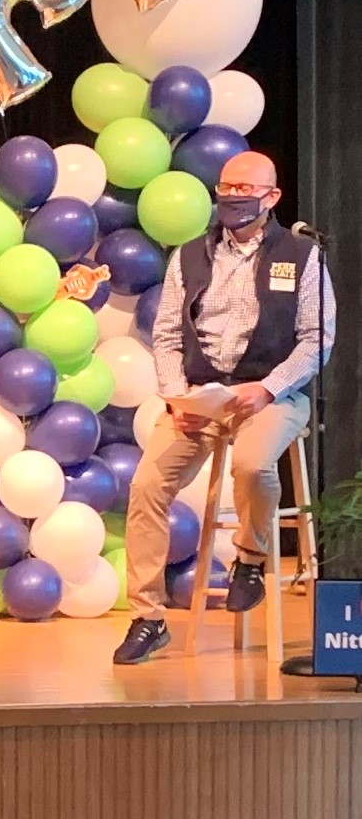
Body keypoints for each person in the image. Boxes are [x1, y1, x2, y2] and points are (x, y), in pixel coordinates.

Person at [113, 151, 335, 665]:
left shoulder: (302, 256)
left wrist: (267, 389)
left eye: (245, 188)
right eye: (226, 187)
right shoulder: (190, 254)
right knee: (147, 488)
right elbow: (166, 335)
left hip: (272, 395)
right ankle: (147, 617)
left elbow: (315, 341)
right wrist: (175, 395)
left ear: (271, 196)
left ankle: (251, 558)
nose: (234, 196)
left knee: (253, 464)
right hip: (200, 398)